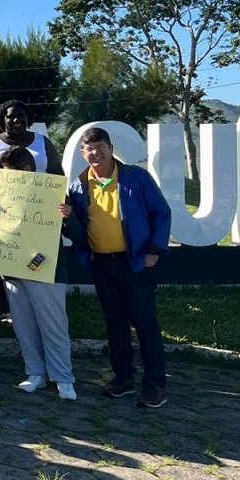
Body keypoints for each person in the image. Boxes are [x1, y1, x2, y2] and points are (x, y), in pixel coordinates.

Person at [66, 126, 172, 408]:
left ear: (111, 148)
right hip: (101, 264)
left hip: (136, 263)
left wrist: (154, 251)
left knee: (145, 322)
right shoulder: (78, 186)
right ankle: (123, 377)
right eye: (90, 148)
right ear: (82, 153)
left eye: (101, 146)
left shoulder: (136, 178)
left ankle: (155, 384)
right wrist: (67, 219)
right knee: (115, 323)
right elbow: (76, 232)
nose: (95, 152)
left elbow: (161, 213)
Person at [0, 146, 78, 400]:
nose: (5, 177)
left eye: (9, 172)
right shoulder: (1, 192)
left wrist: (68, 216)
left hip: (46, 268)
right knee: (23, 324)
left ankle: (63, 377)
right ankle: (35, 373)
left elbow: (75, 234)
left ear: (27, 170)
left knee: (54, 324)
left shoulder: (52, 191)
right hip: (14, 269)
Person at [0, 99, 63, 175]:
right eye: (11, 117)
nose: (16, 120)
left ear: (27, 117)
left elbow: (58, 173)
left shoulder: (42, 140)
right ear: (3, 119)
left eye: (21, 116)